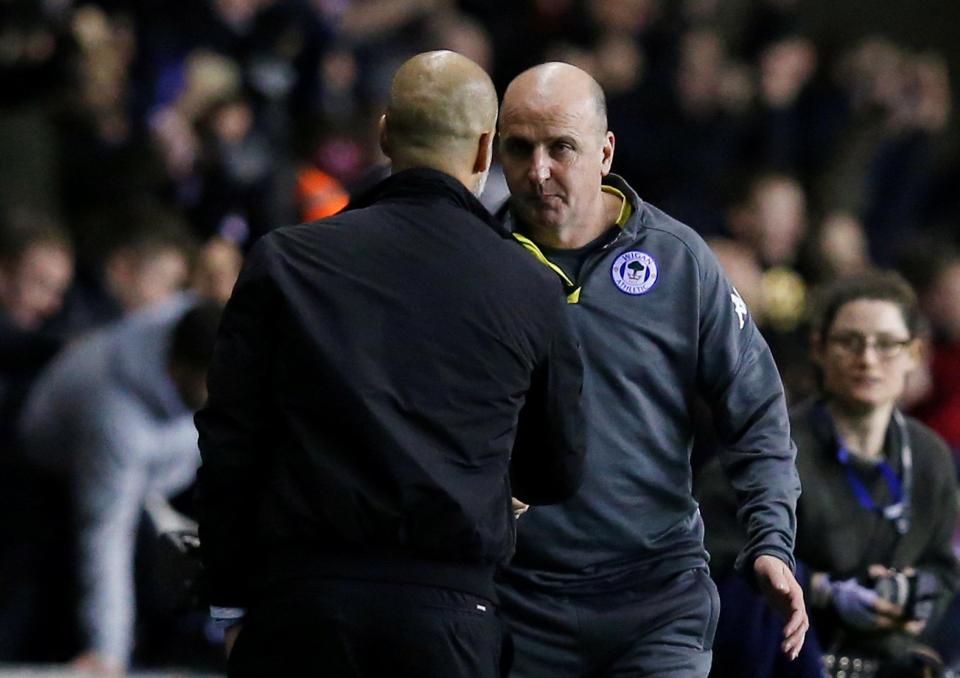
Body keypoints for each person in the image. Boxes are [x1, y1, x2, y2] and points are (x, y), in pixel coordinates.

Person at [194, 50, 585, 678]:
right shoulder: (532, 286)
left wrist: (230, 604)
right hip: (452, 625)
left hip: (298, 613)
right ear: (486, 150)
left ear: (383, 133)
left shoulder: (285, 262)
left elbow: (230, 445)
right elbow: (557, 471)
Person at [494, 61, 807, 677]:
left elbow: (758, 411)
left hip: (658, 599)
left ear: (605, 151)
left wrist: (771, 539)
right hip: (519, 605)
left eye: (562, 148)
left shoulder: (680, 261)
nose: (538, 171)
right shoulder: (477, 264)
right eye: (520, 148)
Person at [17, 295, 223, 675]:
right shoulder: (116, 417)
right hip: (48, 477)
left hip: (158, 473)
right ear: (182, 371)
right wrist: (108, 651)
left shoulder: (197, 325)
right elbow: (107, 535)